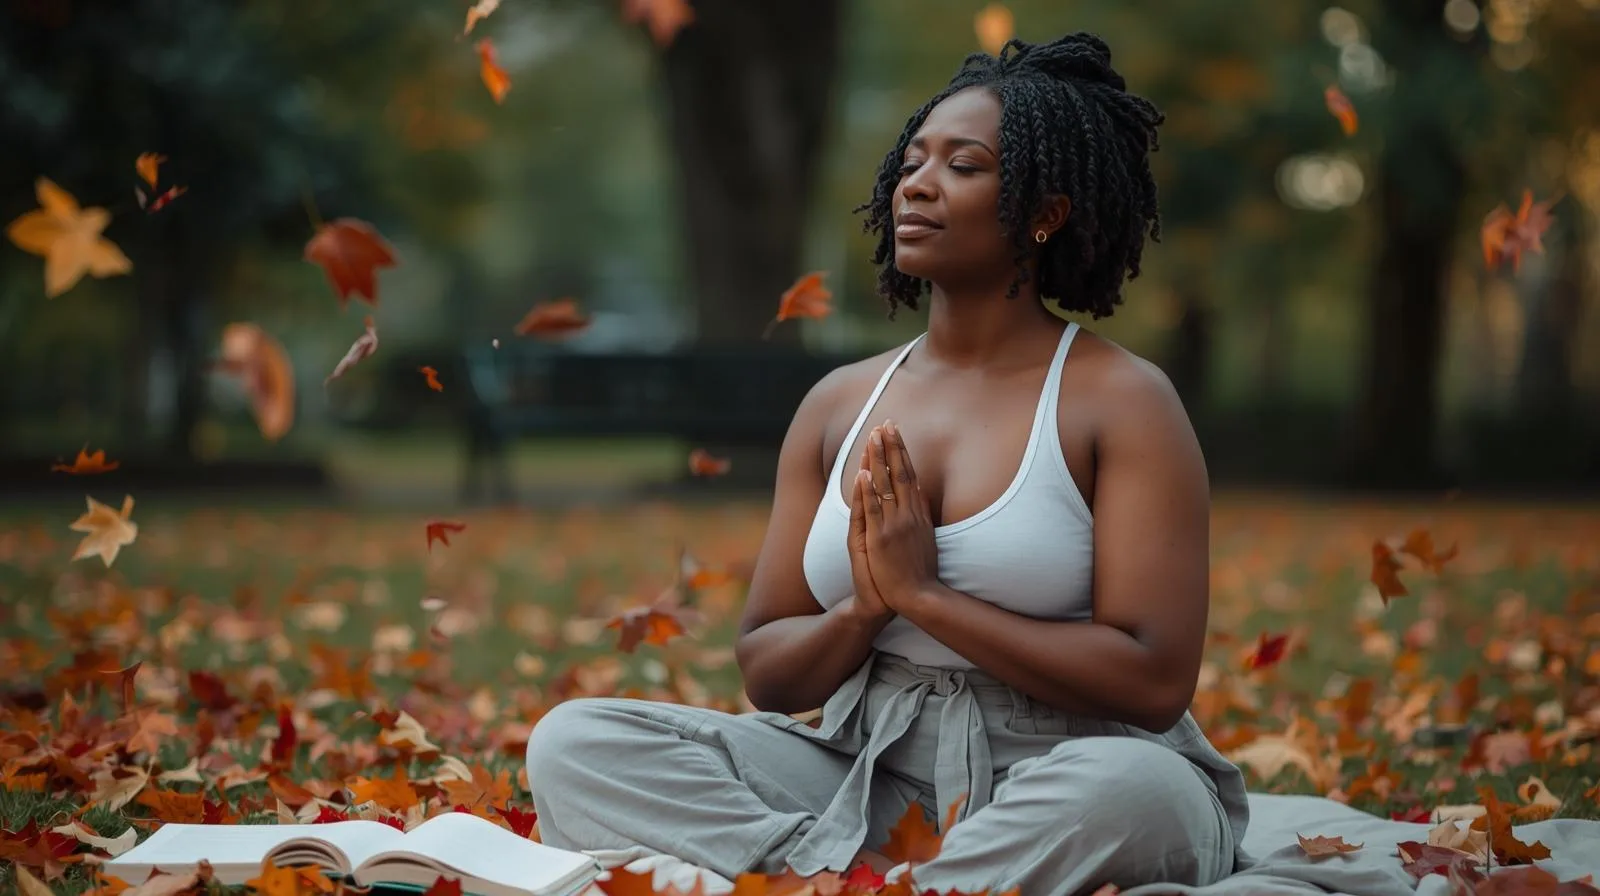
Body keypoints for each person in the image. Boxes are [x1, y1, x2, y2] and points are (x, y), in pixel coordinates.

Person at [527, 31, 1252, 896]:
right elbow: (766, 667)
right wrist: (865, 612)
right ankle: (849, 881)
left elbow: (1154, 680)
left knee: (1143, 796)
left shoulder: (1120, 400)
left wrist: (924, 598)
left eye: (964, 165)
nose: (918, 182)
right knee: (575, 743)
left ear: (1045, 213)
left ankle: (829, 880)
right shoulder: (841, 403)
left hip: (1066, 767)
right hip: (862, 765)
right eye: (914, 161)